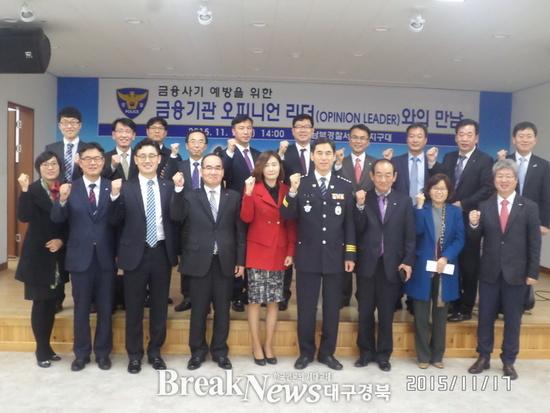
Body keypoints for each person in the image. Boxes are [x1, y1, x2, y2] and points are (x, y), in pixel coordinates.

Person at [280, 137, 356, 371]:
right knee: (306, 308)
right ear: (312, 156)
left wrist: (350, 255)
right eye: (319, 153)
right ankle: (306, 352)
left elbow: (349, 224)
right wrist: (292, 192)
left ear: (334, 157)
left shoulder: (345, 186)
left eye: (327, 153)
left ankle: (327, 353)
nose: (323, 157)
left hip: (335, 257)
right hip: (308, 256)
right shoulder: (300, 183)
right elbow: (286, 215)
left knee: (332, 308)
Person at [467, 159, 541, 380]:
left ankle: (508, 361)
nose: (504, 180)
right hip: (489, 272)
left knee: (512, 320)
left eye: (509, 176)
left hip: (517, 274)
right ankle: (483, 357)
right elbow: (475, 240)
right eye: (500, 176)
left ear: (516, 180)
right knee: (485, 317)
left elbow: (534, 242)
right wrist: (473, 224)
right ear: (494, 180)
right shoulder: (484, 206)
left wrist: (532, 272)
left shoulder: (529, 207)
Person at [171, 154, 246, 371]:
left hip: (225, 261)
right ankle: (197, 352)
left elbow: (239, 231)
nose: (213, 172)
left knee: (223, 310)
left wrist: (241, 260)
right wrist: (177, 190)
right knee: (199, 310)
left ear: (223, 172)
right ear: (201, 171)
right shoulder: (189, 196)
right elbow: (175, 216)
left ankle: (220, 352)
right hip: (198, 261)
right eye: (208, 168)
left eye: (217, 168)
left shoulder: (234, 196)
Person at [109, 139, 178, 374]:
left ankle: (155, 352)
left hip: (161, 251)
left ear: (159, 159)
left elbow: (177, 219)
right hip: (134, 253)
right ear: (136, 160)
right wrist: (114, 196)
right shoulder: (124, 187)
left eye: (152, 156)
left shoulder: (169, 186)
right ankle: (134, 355)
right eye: (143, 156)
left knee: (159, 307)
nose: (147, 160)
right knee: (134, 307)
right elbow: (114, 221)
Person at [51, 142, 115, 372]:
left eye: (97, 158)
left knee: (106, 309)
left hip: (106, 257)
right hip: (80, 258)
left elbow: (119, 222)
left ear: (103, 162)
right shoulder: (70, 188)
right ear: (80, 162)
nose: (93, 163)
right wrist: (62, 200)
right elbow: (57, 219)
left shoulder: (112, 187)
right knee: (81, 309)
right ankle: (81, 354)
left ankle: (103, 353)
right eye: (88, 159)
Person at [354, 159, 415, 372]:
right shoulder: (363, 198)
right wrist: (359, 206)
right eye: (378, 174)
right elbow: (356, 229)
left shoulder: (404, 201)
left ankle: (383, 355)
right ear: (372, 176)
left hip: (391, 265)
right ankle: (365, 352)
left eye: (387, 174)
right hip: (367, 264)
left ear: (394, 177)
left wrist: (407, 261)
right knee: (365, 311)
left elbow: (410, 236)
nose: (383, 179)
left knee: (386, 313)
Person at [430, 118, 494, 322]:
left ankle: (466, 308)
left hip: (470, 219)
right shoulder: (449, 158)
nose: (465, 138)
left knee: (469, 264)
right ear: (456, 137)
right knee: (451, 261)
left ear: (476, 138)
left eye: (469, 134)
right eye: (461, 134)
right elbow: (439, 183)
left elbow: (487, 188)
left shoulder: (485, 160)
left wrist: (463, 204)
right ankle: (453, 302)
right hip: (448, 218)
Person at [240, 151, 296, 365]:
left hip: (279, 252)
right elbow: (246, 218)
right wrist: (247, 194)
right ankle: (256, 345)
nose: (271, 168)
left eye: (275, 164)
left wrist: (290, 251)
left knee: (273, 301)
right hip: (257, 251)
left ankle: (269, 345)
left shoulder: (287, 190)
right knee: (255, 301)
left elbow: (291, 224)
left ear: (280, 167)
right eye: (267, 165)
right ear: (260, 168)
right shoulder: (253, 188)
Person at [404, 174, 465, 369]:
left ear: (449, 192)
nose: (439, 192)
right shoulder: (421, 209)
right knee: (421, 315)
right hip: (423, 269)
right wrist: (419, 207)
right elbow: (417, 232)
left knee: (440, 315)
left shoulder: (455, 212)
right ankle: (423, 356)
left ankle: (437, 355)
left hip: (444, 268)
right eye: (435, 188)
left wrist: (446, 257)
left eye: (443, 189)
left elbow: (459, 239)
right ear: (428, 190)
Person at [15, 151, 67, 368]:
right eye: (45, 164)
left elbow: (71, 221)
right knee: (40, 303)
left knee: (52, 303)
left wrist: (62, 241)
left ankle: (48, 348)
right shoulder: (33, 189)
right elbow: (24, 216)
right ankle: (41, 349)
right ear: (39, 168)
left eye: (54, 163)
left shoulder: (65, 189)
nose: (50, 167)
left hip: (58, 256)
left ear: (60, 166)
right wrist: (24, 190)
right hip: (37, 255)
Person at [164, 129, 209, 312]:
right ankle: (188, 296)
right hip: (184, 221)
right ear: (187, 145)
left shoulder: (212, 166)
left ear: (205, 146)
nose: (196, 145)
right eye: (193, 141)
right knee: (187, 260)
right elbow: (167, 182)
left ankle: (205, 298)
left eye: (200, 141)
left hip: (208, 220)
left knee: (207, 259)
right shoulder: (179, 165)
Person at [334, 123, 377, 308]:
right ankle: (343, 297)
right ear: (349, 140)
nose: (358, 141)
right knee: (343, 255)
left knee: (364, 258)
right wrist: (336, 165)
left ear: (368, 142)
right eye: (355, 137)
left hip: (367, 218)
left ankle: (363, 298)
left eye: (362, 138)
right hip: (342, 218)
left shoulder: (375, 163)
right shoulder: (339, 162)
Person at [221, 115, 260, 312]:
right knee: (238, 249)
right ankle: (236, 294)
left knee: (254, 249)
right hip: (235, 208)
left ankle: (252, 291)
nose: (245, 131)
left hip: (257, 210)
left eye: (248, 128)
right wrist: (229, 152)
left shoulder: (258, 154)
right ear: (233, 131)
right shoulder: (226, 153)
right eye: (241, 128)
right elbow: (223, 174)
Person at [277, 113, 315, 311]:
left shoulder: (319, 151)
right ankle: (283, 294)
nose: (302, 130)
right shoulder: (286, 152)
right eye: (298, 126)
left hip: (316, 209)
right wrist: (280, 155)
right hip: (291, 207)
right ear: (292, 131)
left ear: (313, 130)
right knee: (287, 251)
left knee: (310, 253)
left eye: (306, 126)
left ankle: (309, 296)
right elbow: (276, 175)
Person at [497, 121, 550, 236]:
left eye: (529, 136)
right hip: (504, 217)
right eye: (521, 136)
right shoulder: (504, 161)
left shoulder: (544, 165)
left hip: (532, 219)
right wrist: (500, 163)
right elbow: (493, 189)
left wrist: (546, 224)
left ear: (535, 140)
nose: (525, 140)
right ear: (514, 139)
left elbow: (547, 196)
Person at [46, 106, 85, 183]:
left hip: (81, 189)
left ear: (80, 125)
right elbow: (45, 174)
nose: (69, 126)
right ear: (59, 126)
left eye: (73, 122)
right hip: (56, 189)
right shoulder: (50, 149)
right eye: (65, 122)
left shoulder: (88, 149)